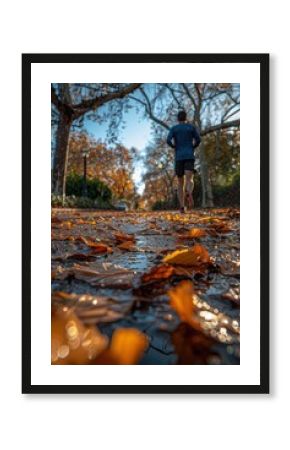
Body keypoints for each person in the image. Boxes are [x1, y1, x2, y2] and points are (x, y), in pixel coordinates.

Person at [167, 110, 201, 213]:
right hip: (189, 155)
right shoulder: (191, 127)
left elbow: (168, 140)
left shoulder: (174, 128)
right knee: (190, 178)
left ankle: (182, 207)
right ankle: (189, 191)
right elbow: (198, 139)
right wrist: (192, 147)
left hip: (179, 157)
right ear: (186, 118)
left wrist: (174, 147)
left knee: (180, 182)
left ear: (178, 119)